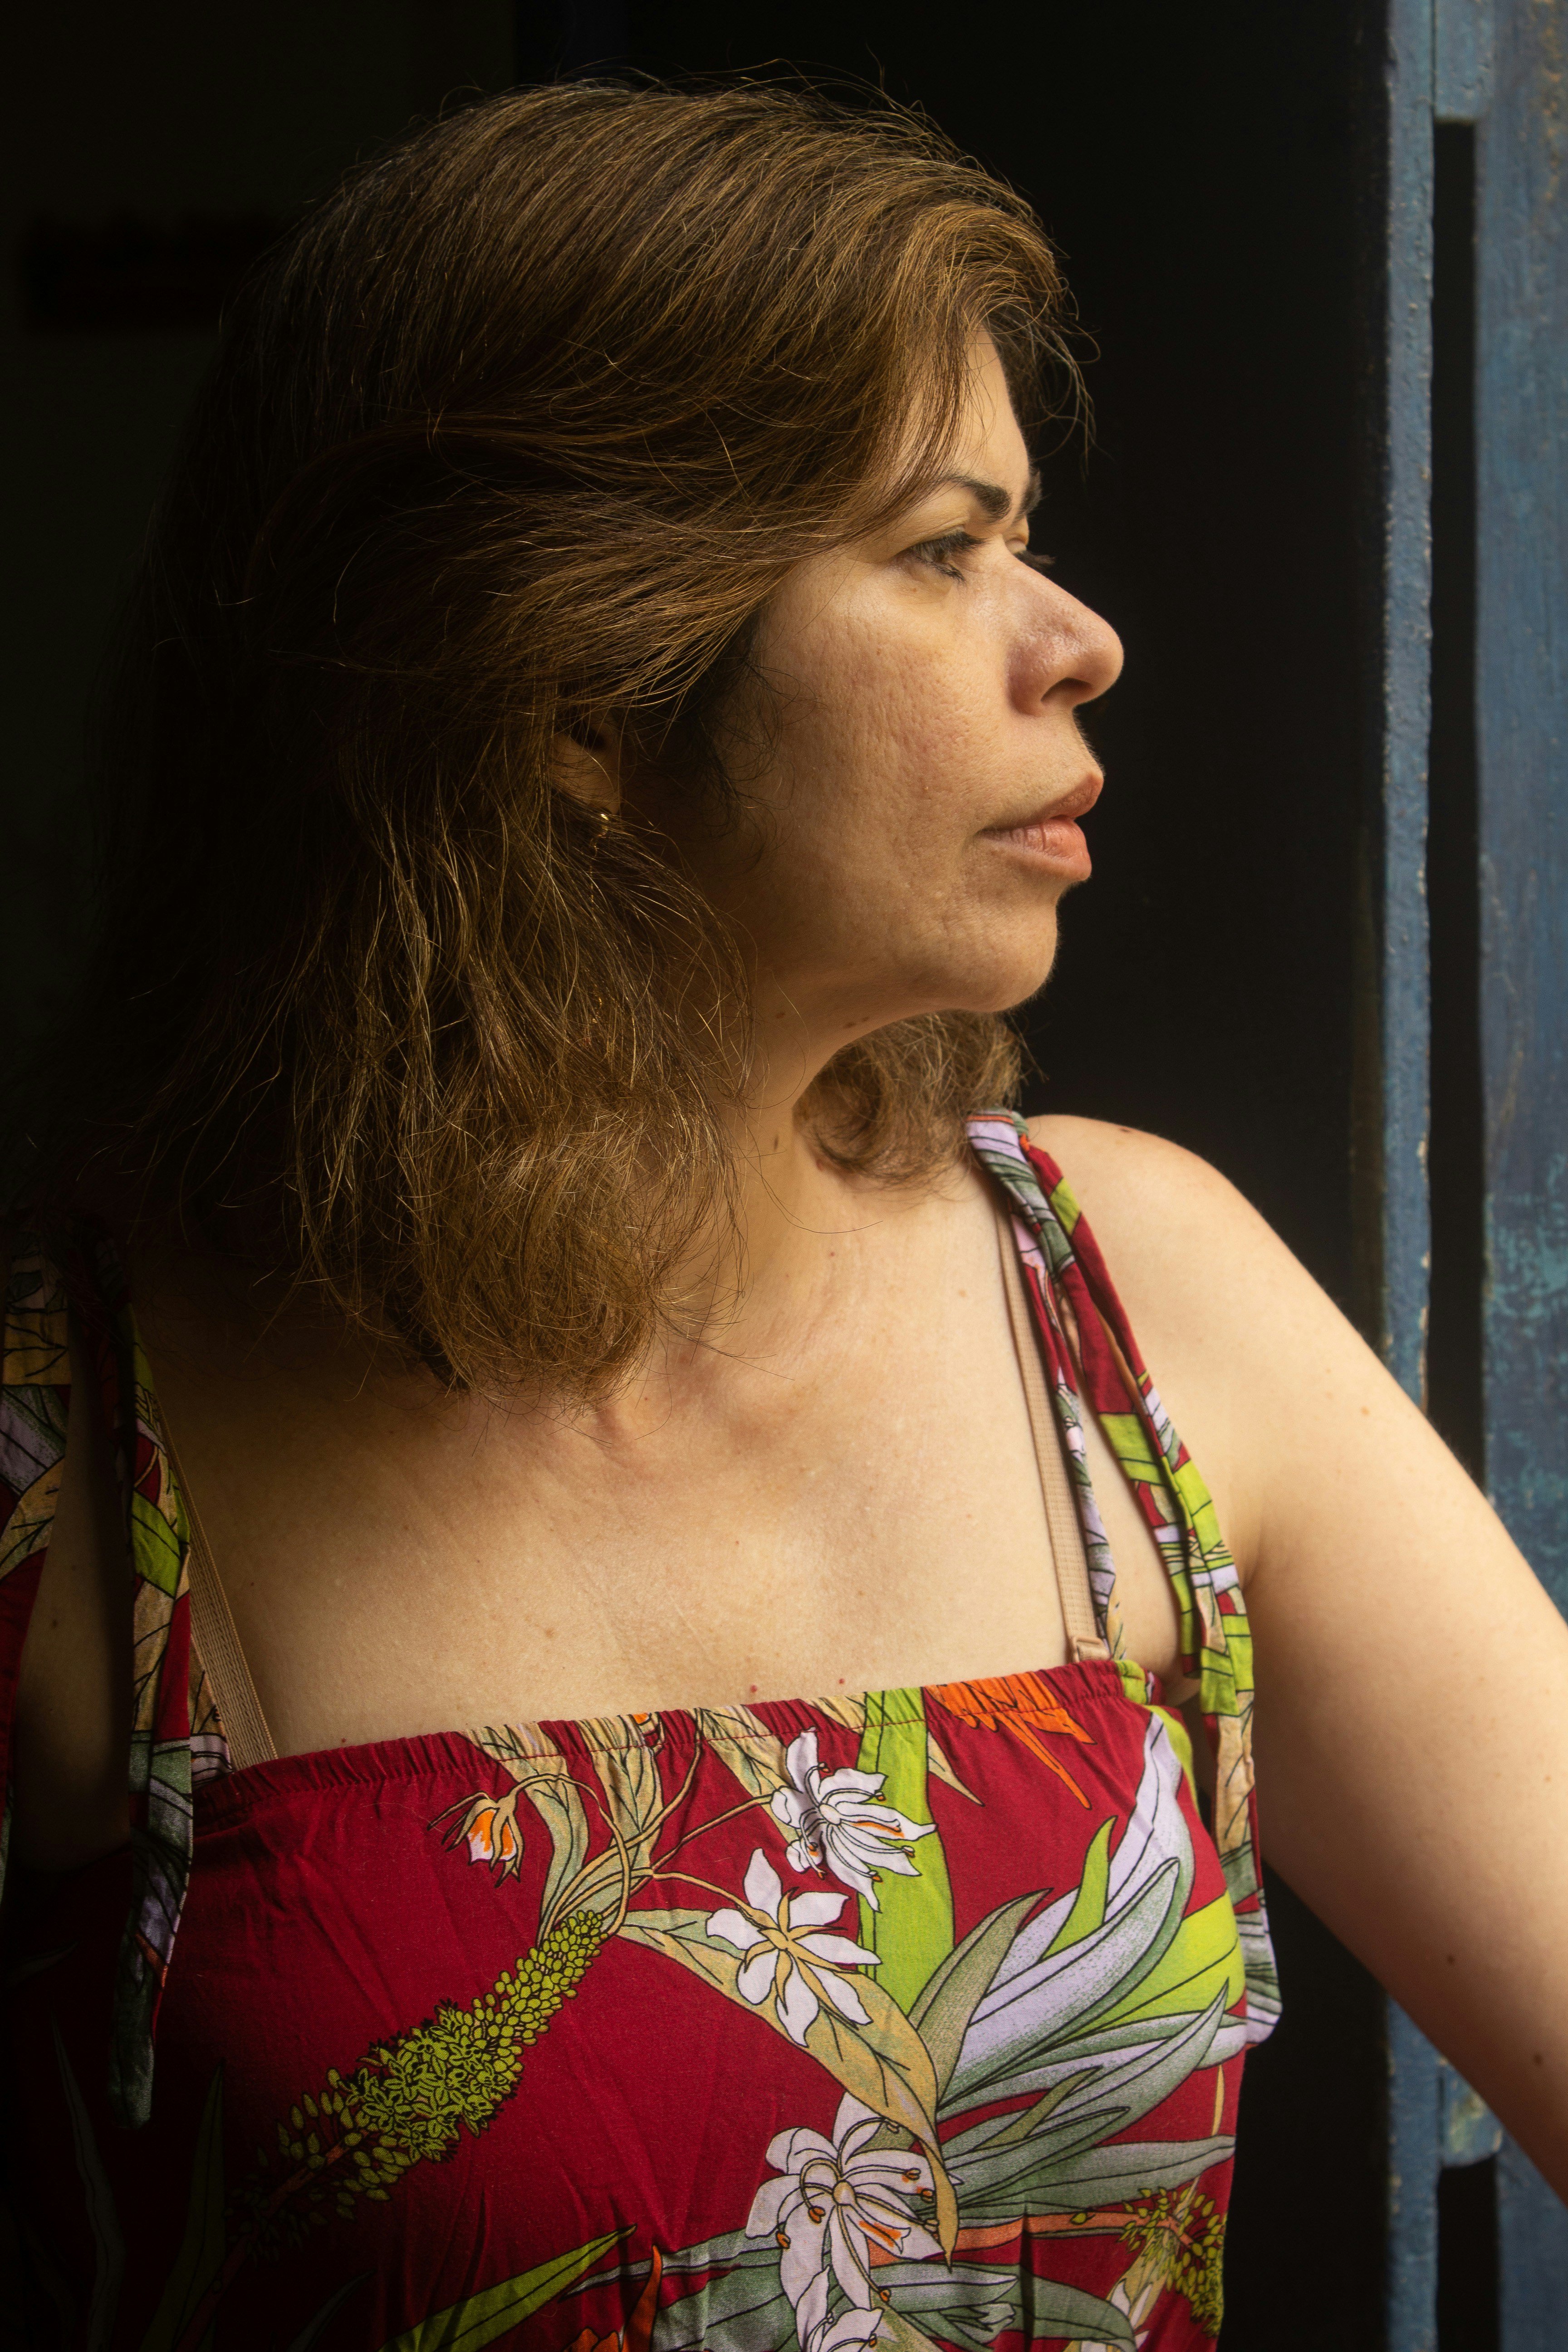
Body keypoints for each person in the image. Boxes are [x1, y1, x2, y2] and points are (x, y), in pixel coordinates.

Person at [2, 79, 1563, 2352]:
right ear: (578, 686)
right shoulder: (77, 1451)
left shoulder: (1134, 1305)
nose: (1079, 636)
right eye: (943, 550)